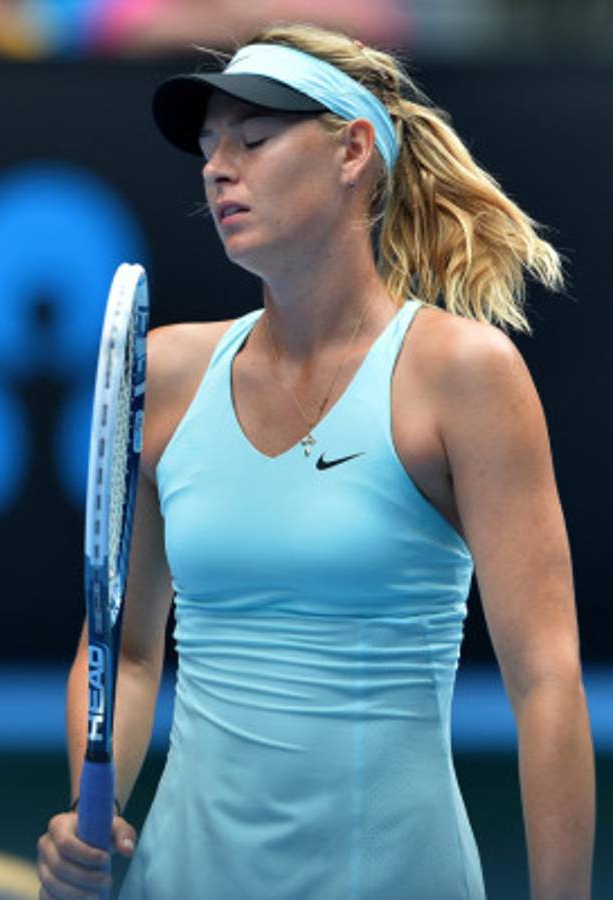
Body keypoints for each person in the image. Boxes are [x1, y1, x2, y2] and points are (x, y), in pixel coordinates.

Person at [37, 21, 595, 900]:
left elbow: (546, 681)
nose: (218, 168)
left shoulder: (463, 373)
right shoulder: (167, 374)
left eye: (253, 140)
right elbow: (129, 654)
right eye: (210, 147)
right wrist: (88, 813)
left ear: (353, 151)